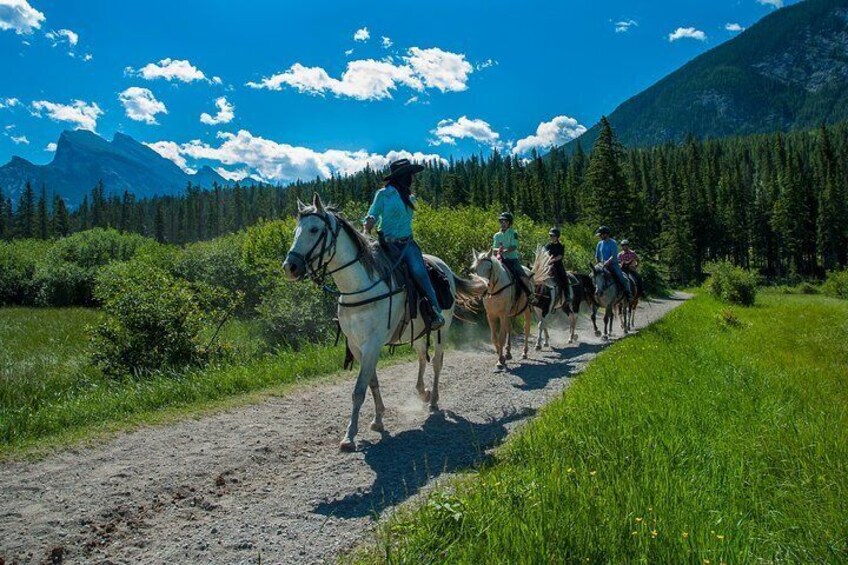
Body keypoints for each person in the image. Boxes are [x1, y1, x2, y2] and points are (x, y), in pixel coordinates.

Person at [364, 158, 445, 330]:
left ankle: (434, 311)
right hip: (385, 244)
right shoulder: (383, 194)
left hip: (407, 244)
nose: (412, 178)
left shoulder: (410, 197)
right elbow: (373, 214)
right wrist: (368, 224)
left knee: (419, 272)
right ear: (403, 176)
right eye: (410, 175)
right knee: (367, 268)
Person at [492, 212, 536, 304]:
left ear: (509, 223)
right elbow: (494, 248)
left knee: (522, 276)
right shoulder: (496, 235)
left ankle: (529, 294)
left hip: (512, 260)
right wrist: (498, 251)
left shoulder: (514, 233)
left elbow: (514, 247)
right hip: (500, 260)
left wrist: (503, 250)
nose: (503, 223)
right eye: (501, 221)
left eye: (505, 221)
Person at [594, 226, 633, 300]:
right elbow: (597, 255)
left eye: (601, 234)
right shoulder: (599, 243)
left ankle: (628, 293)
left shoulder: (613, 243)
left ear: (606, 234)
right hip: (602, 265)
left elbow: (614, 255)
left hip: (613, 264)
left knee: (622, 278)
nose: (600, 236)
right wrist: (598, 262)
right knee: (592, 275)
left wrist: (607, 262)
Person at [545, 227, 570, 294]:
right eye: (550, 235)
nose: (551, 237)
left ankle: (567, 294)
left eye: (553, 236)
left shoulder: (560, 245)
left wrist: (552, 260)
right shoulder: (548, 245)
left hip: (557, 265)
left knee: (564, 277)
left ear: (557, 236)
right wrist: (547, 260)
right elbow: (545, 254)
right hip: (548, 264)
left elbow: (560, 256)